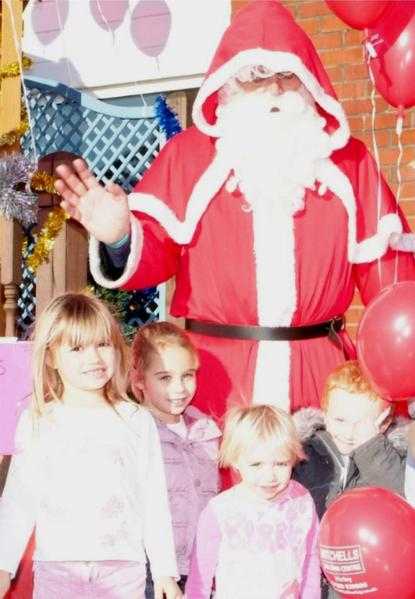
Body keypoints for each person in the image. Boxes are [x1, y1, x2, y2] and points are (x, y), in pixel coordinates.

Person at [53, 1, 415, 419]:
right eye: (258, 77)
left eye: (286, 74)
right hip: (217, 382)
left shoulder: (349, 164)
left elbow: (391, 280)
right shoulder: (189, 157)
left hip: (321, 379)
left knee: (324, 482)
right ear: (229, 83)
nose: (276, 89)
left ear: (309, 80)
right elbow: (156, 250)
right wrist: (120, 237)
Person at [0, 292, 181, 599]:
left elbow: (153, 498)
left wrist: (165, 570)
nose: (94, 359)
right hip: (57, 566)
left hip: (123, 568)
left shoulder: (136, 420)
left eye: (103, 344)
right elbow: (19, 499)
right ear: (52, 357)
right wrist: (4, 565)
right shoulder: (38, 420)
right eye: (77, 348)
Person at [293, 360, 414, 598]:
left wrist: (371, 446)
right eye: (340, 420)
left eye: (364, 425)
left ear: (386, 421)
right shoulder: (303, 454)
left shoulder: (397, 456)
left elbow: (405, 498)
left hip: (374, 581)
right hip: (311, 584)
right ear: (324, 413)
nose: (350, 434)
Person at [185, 404, 320, 599]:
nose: (269, 475)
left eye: (280, 463)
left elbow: (310, 560)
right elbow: (200, 578)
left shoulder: (302, 502)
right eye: (256, 464)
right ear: (236, 461)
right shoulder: (220, 511)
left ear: (293, 458)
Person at [129, 321, 221, 597]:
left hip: (200, 568)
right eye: (165, 378)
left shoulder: (207, 431)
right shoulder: (134, 432)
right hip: (149, 571)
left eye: (187, 375)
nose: (179, 388)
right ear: (139, 381)